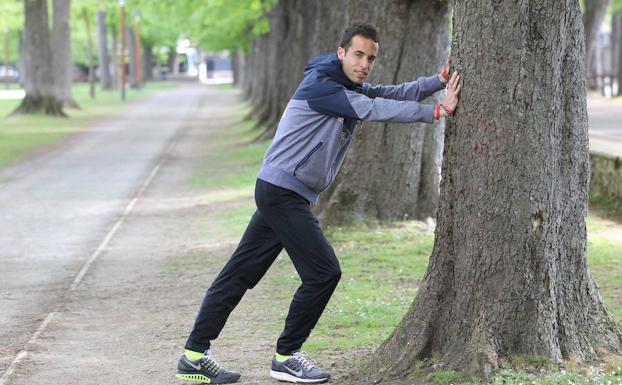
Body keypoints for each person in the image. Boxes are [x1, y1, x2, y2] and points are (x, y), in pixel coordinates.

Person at [176, 22, 461, 384]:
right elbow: (372, 108)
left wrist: (437, 80)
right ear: (341, 53)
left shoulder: (343, 85)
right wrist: (437, 112)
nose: (364, 64)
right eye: (358, 55)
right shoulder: (322, 87)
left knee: (238, 275)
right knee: (324, 272)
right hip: (283, 193)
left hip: (279, 190)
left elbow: (387, 93)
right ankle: (286, 356)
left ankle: (193, 356)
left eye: (370, 58)